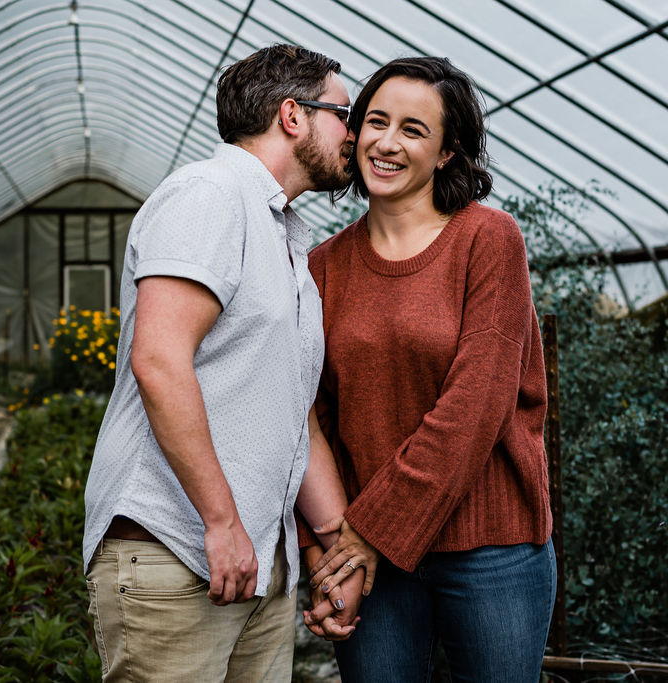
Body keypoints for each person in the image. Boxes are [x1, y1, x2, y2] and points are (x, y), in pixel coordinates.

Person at [82, 43, 358, 681]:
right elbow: (159, 359)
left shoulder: (286, 238)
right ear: (293, 116)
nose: (356, 134)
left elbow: (297, 418)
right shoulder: (209, 196)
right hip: (178, 553)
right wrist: (221, 522)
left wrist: (333, 554)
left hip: (253, 563)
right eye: (344, 114)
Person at [301, 56, 556, 681]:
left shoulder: (487, 240)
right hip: (369, 558)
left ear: (446, 152)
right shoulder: (322, 266)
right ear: (353, 131)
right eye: (376, 122)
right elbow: (308, 420)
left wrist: (370, 532)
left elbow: (476, 408)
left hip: (491, 551)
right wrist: (324, 552)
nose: (387, 143)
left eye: (414, 130)